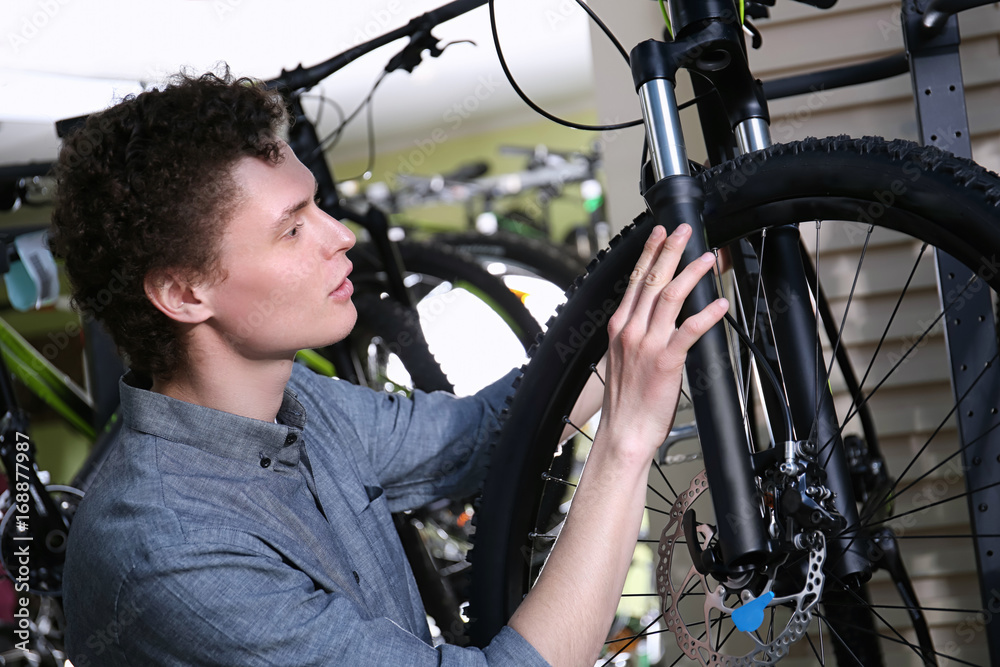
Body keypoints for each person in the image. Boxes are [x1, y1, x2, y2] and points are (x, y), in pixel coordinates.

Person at [52, 71, 727, 666]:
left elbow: (480, 437)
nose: (339, 234)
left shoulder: (297, 402)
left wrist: (636, 328)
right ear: (183, 292)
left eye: (316, 204)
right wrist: (625, 440)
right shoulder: (168, 551)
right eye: (292, 227)